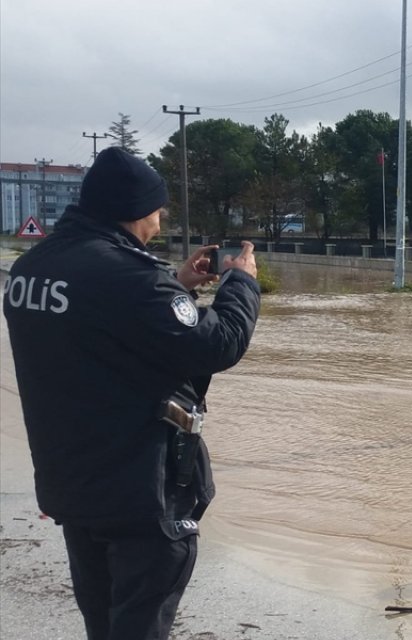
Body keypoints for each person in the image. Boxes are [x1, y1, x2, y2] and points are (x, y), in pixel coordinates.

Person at [3, 147, 261, 639]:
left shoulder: (33, 268)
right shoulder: (128, 276)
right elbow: (217, 345)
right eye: (158, 209)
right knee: (139, 624)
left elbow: (102, 338)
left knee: (103, 622)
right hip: (138, 489)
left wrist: (175, 286)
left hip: (74, 482)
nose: (160, 222)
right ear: (138, 210)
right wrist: (241, 283)